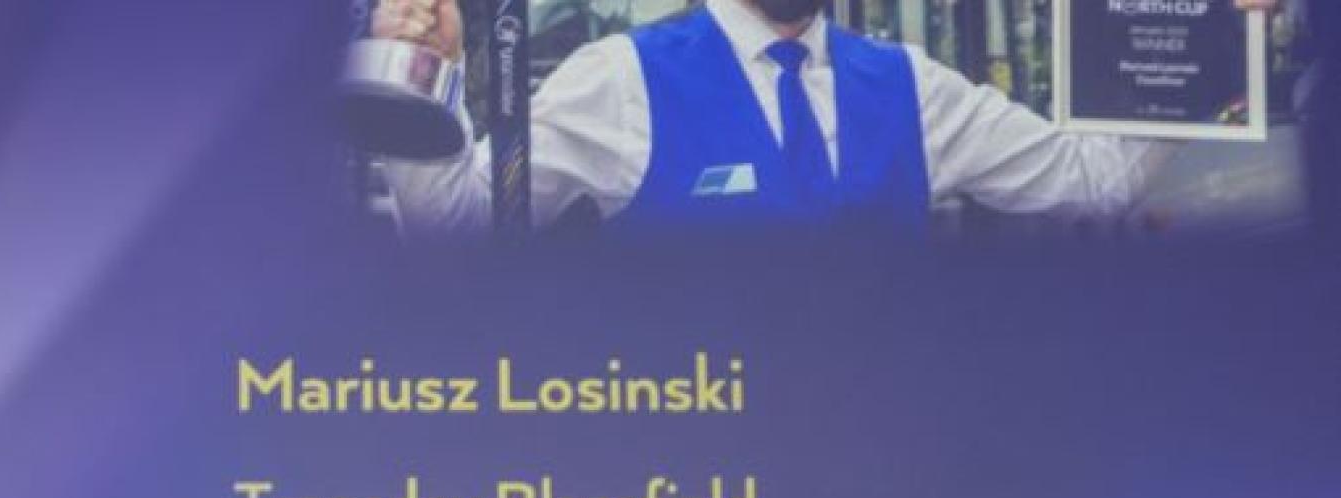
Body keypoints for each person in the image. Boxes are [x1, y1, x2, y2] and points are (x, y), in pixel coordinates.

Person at [371, 0, 1279, 233]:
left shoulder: (910, 84)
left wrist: (1211, 53)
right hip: (690, 483)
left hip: (884, 478)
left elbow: (1092, 181)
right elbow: (460, 225)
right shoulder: (618, 79)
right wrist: (423, 80)